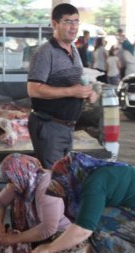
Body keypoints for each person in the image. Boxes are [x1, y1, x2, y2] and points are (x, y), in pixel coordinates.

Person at [26, 3, 98, 168]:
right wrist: (72, 91)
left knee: (62, 177)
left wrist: (87, 91)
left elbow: (75, 80)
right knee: (52, 179)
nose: (73, 27)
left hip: (67, 126)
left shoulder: (73, 49)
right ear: (54, 24)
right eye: (67, 22)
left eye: (76, 21)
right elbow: (33, 89)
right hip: (50, 126)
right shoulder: (45, 52)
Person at [0, 154, 72, 248]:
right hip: (40, 229)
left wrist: (13, 239)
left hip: (60, 233)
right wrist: (0, 227)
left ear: (20, 174)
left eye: (12, 181)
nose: (10, 185)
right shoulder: (23, 180)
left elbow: (49, 228)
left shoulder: (47, 188)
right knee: (17, 197)